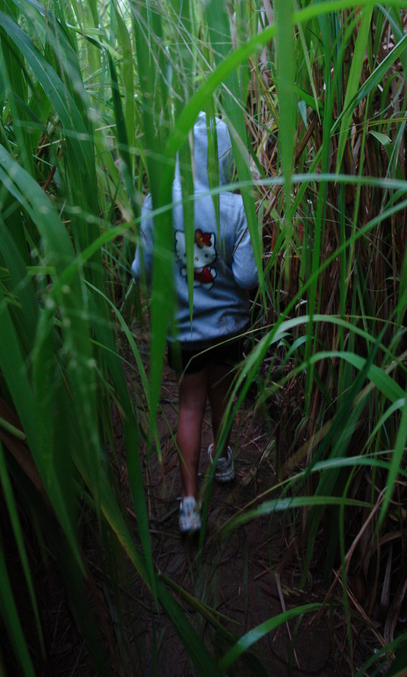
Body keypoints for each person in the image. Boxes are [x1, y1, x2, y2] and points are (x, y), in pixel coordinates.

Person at [132, 112, 258, 534]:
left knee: (189, 406)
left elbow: (142, 272)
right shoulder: (237, 207)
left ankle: (189, 503)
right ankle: (223, 462)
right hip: (228, 328)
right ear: (222, 155)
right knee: (222, 396)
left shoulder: (158, 205)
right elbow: (247, 278)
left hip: (184, 332)